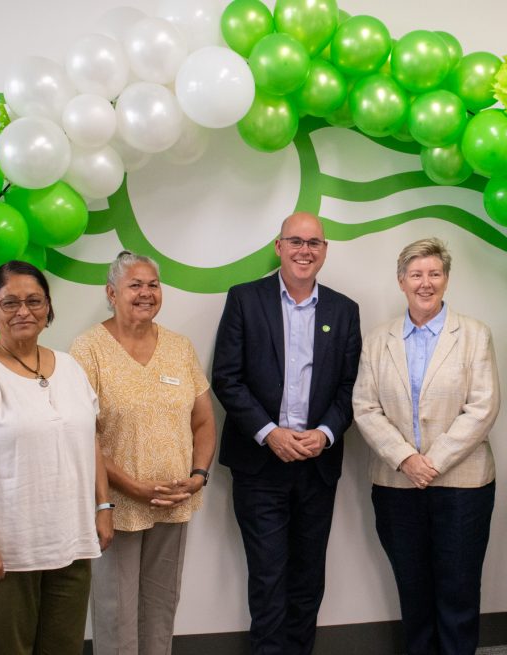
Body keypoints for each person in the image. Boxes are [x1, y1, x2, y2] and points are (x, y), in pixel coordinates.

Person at [0, 260, 112, 655]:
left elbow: (91, 441)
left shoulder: (69, 368)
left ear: (48, 308)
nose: (23, 311)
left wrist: (103, 506)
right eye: (10, 302)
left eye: (34, 301)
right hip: (5, 552)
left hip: (69, 544)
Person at [212, 211, 362, 655]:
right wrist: (268, 432)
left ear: (325, 251)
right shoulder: (244, 299)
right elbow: (227, 378)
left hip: (317, 466)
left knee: (308, 577)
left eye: (314, 243)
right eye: (295, 241)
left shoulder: (344, 310)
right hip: (260, 465)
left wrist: (327, 434)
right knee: (268, 576)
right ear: (279, 247)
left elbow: (351, 386)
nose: (304, 250)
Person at [353, 238, 500, 655]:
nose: (425, 282)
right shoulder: (377, 339)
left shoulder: (474, 335)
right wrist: (405, 459)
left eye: (434, 273)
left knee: (458, 592)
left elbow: (483, 407)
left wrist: (431, 462)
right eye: (416, 274)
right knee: (413, 590)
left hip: (463, 487)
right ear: (401, 281)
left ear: (446, 279)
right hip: (396, 486)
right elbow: (365, 407)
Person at [70, 251, 217, 655]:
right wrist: (133, 486)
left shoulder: (179, 347)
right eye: (135, 284)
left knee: (161, 607)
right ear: (111, 292)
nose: (146, 293)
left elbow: (203, 421)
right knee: (115, 611)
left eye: (153, 284)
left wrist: (198, 475)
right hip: (116, 505)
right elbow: (83, 435)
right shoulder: (89, 349)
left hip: (173, 501)